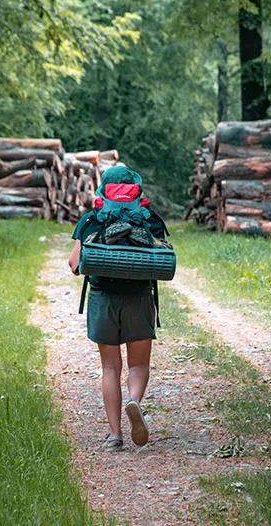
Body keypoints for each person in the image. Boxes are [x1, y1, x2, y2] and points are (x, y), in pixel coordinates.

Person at [67, 165, 169, 452]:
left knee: (110, 367)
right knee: (138, 365)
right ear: (137, 191)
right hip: (139, 297)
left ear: (103, 191)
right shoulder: (149, 220)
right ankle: (134, 400)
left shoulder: (91, 220)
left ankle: (115, 436)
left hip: (103, 298)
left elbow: (76, 266)